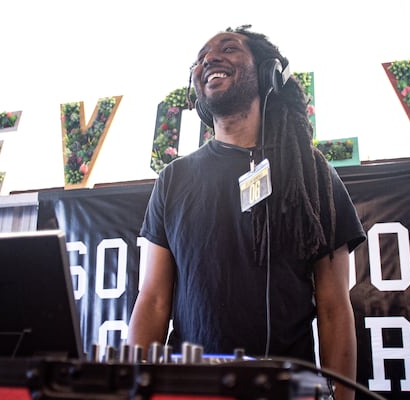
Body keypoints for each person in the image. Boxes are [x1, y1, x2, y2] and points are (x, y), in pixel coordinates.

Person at [128, 25, 366, 400]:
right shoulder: (173, 179)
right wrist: (132, 389)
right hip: (191, 391)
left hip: (286, 391)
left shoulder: (313, 173)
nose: (210, 59)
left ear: (269, 73)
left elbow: (334, 307)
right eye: (201, 57)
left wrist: (342, 397)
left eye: (229, 49)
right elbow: (153, 299)